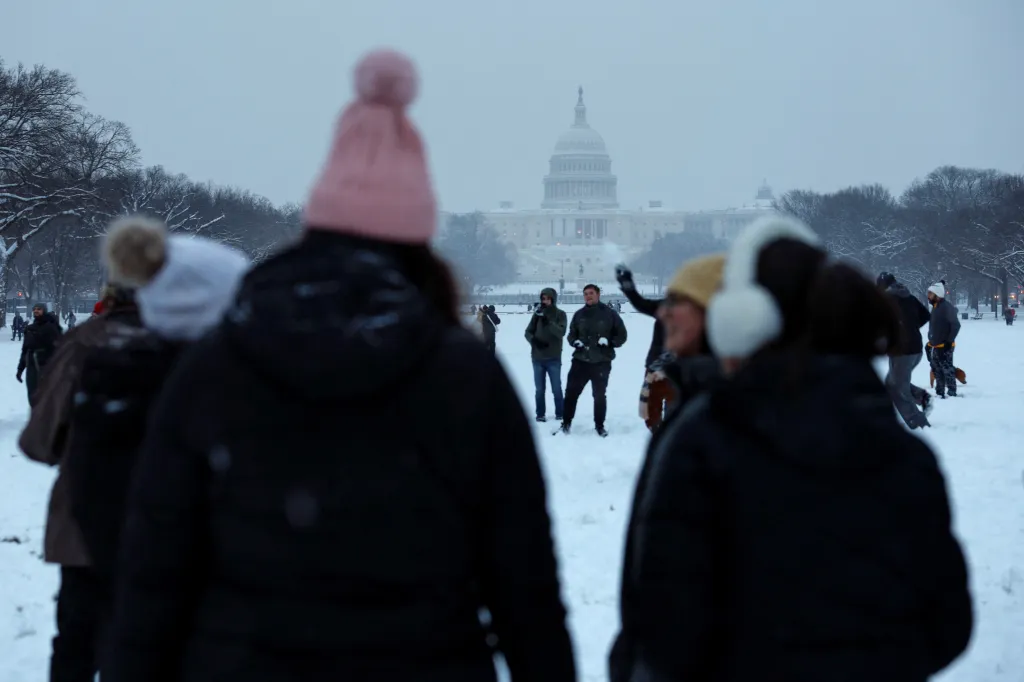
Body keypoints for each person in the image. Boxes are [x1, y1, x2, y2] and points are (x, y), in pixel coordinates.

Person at [103, 49, 575, 682]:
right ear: (419, 234)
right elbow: (525, 586)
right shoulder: (464, 374)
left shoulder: (215, 364)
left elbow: (152, 573)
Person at [611, 216, 972, 682]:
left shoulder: (706, 443)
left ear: (740, 321)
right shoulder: (905, 455)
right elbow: (947, 625)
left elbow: (664, 626)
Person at [18, 283, 144, 682]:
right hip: (164, 526)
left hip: (84, 522)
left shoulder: (84, 341)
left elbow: (39, 443)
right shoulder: (200, 343)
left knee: (77, 640)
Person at [560, 283, 627, 437]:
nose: (588, 296)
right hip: (580, 361)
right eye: (585, 294)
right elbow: (571, 334)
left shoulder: (610, 314)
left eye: (591, 293)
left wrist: (610, 342)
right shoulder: (579, 315)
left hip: (601, 362)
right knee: (571, 393)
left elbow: (622, 335)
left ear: (598, 294)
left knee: (599, 395)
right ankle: (566, 423)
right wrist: (574, 342)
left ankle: (599, 426)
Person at [877, 272, 932, 428]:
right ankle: (921, 397)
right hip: (915, 348)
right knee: (892, 383)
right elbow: (925, 315)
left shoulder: (887, 301)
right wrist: (911, 329)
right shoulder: (909, 297)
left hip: (902, 350)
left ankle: (916, 420)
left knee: (897, 387)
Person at [524, 288, 567, 422]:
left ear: (553, 299)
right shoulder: (536, 315)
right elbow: (528, 332)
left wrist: (549, 322)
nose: (545, 301)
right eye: (543, 298)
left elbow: (561, 332)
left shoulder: (560, 314)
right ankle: (540, 414)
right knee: (539, 390)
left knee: (556, 388)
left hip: (553, 357)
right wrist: (534, 341)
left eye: (548, 298)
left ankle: (560, 413)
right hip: (537, 358)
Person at [16, 303, 63, 403]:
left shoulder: (51, 328)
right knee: (32, 395)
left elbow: (57, 349)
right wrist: (20, 369)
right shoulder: (29, 328)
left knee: (46, 395)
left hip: (46, 365)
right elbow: (25, 350)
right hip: (31, 366)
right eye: (34, 309)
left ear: (44, 311)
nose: (36, 311)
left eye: (39, 309)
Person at [927, 281, 961, 398]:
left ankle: (951, 391)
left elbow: (956, 325)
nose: (928, 296)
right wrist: (930, 341)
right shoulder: (935, 308)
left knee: (947, 369)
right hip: (935, 345)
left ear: (937, 294)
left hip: (945, 346)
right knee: (937, 369)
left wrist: (949, 341)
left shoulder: (947, 307)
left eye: (930, 294)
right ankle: (939, 391)